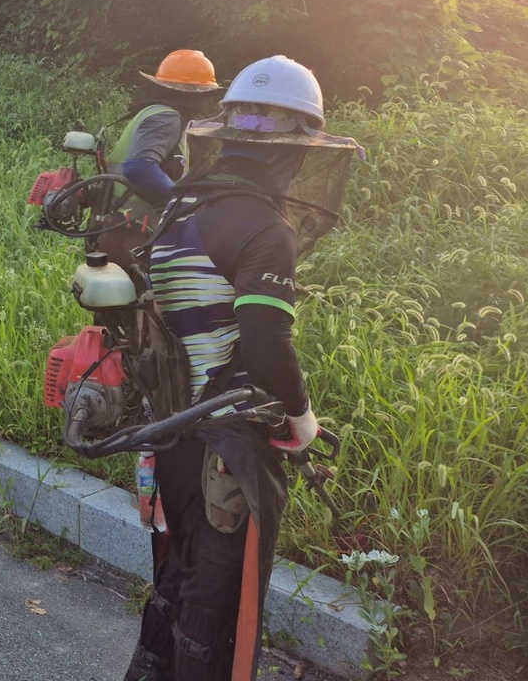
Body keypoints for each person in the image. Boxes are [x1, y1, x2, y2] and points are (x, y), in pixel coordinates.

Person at [124, 55, 362, 681]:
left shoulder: (178, 206)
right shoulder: (264, 227)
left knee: (177, 566)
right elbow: (264, 342)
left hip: (173, 426)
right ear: (296, 148)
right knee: (220, 590)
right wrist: (303, 418)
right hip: (227, 437)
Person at [96, 50, 221, 264]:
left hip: (120, 223)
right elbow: (139, 167)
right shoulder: (167, 117)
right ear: (193, 93)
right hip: (132, 230)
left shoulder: (154, 112)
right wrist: (181, 205)